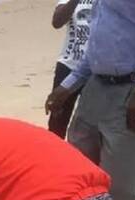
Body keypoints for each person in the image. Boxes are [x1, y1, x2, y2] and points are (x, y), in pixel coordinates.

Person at [46, 0, 135, 200]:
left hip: (130, 93)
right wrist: (66, 88)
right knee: (79, 175)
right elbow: (95, 47)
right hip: (94, 89)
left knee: (124, 184)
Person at [48, 0, 95, 138]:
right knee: (57, 121)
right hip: (68, 66)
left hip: (95, 70)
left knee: (90, 123)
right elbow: (57, 22)